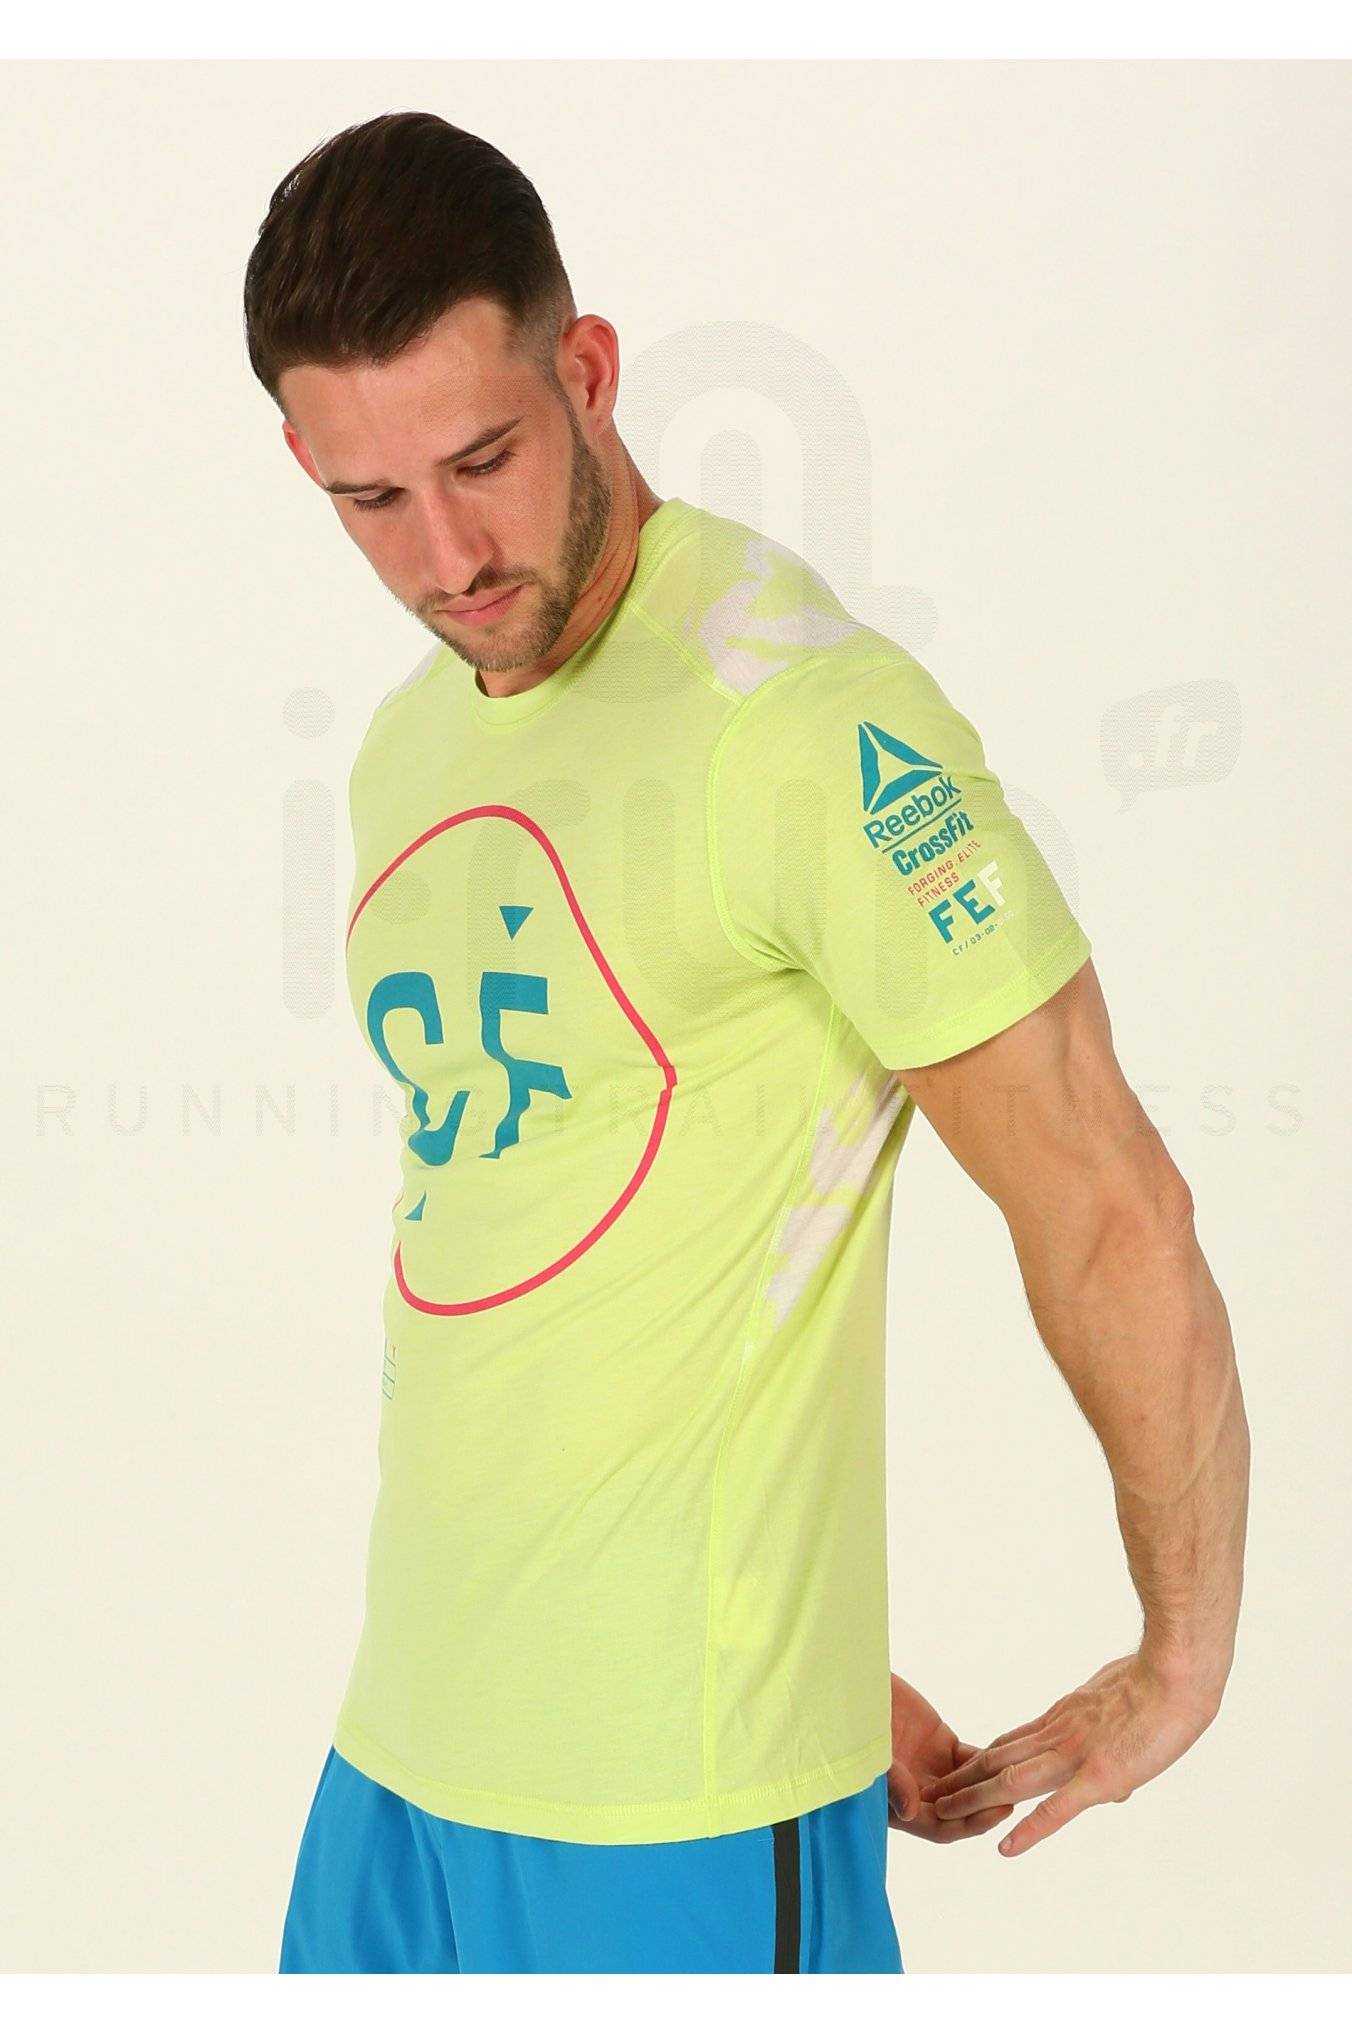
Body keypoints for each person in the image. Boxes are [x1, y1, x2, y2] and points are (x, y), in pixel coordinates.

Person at [243, 110, 1249, 1976]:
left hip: (673, 1811)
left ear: (588, 369)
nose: (448, 555)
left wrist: (1179, 1655)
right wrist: (818, 1643)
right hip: (400, 1760)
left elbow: (1110, 1205)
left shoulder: (801, 719)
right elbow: (565, 1242)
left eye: (483, 460)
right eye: (373, 500)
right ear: (304, 461)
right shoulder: (409, 746)